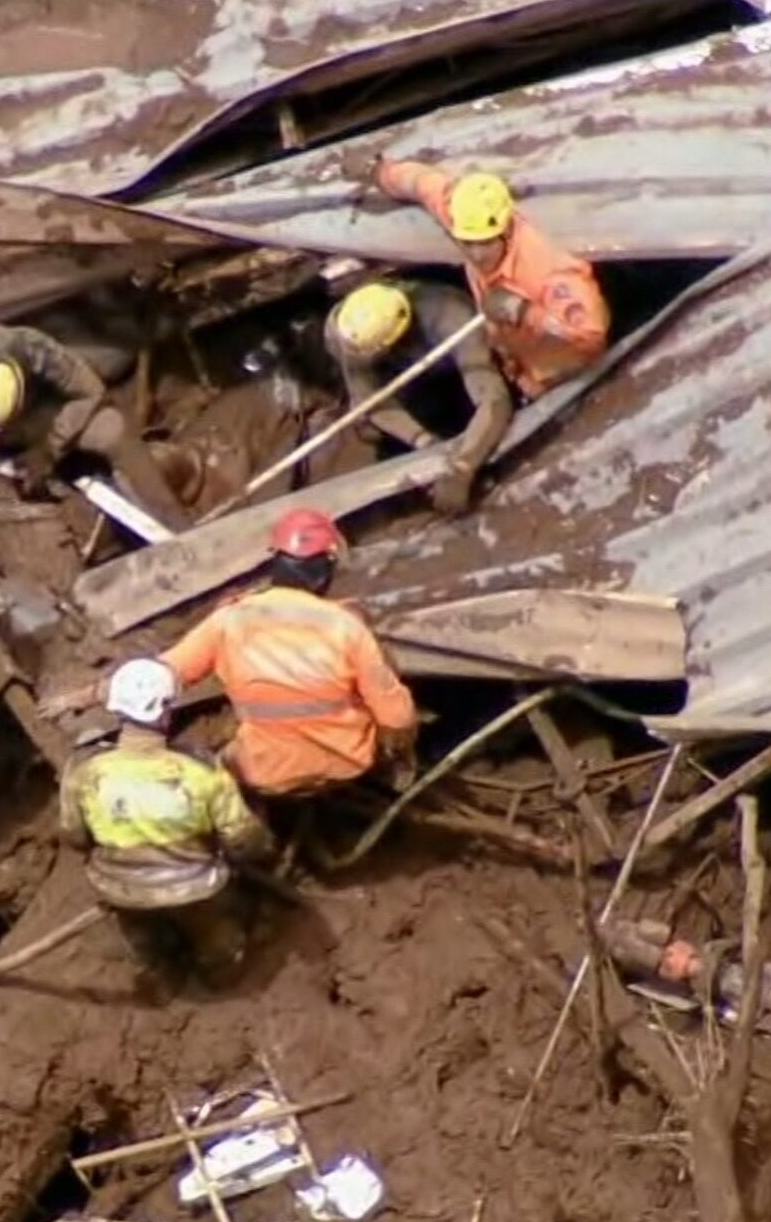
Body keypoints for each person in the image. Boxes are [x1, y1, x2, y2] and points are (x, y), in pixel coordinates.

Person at [161, 508, 418, 798]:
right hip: (344, 764)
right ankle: (393, 776)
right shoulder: (346, 626)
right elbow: (397, 717)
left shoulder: (229, 619)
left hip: (265, 771)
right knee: (389, 698)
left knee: (214, 756)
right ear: (326, 569)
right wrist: (397, 749)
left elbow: (161, 675)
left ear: (276, 563)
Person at [59, 659, 274, 972]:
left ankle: (155, 966)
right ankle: (220, 970)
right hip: (194, 887)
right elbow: (243, 839)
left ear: (117, 710)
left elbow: (74, 836)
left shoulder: (83, 771)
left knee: (142, 932)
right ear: (166, 711)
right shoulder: (201, 771)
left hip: (118, 886)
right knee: (217, 936)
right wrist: (261, 850)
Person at [371, 160, 609, 398]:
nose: (476, 255)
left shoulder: (548, 271)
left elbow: (591, 337)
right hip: (512, 359)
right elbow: (423, 184)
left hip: (556, 376)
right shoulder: (465, 219)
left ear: (506, 230)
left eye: (486, 243)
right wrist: (381, 172)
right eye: (468, 243)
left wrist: (525, 312)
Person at [0, 322, 184, 523]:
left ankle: (173, 521)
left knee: (111, 428)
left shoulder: (35, 350)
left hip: (41, 421)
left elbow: (90, 392)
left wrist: (48, 449)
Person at [326, 279, 513, 514]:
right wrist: (425, 442)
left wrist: (463, 468)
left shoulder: (451, 316)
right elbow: (371, 402)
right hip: (412, 379)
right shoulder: (352, 334)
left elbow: (494, 399)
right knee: (372, 429)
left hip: (458, 364)